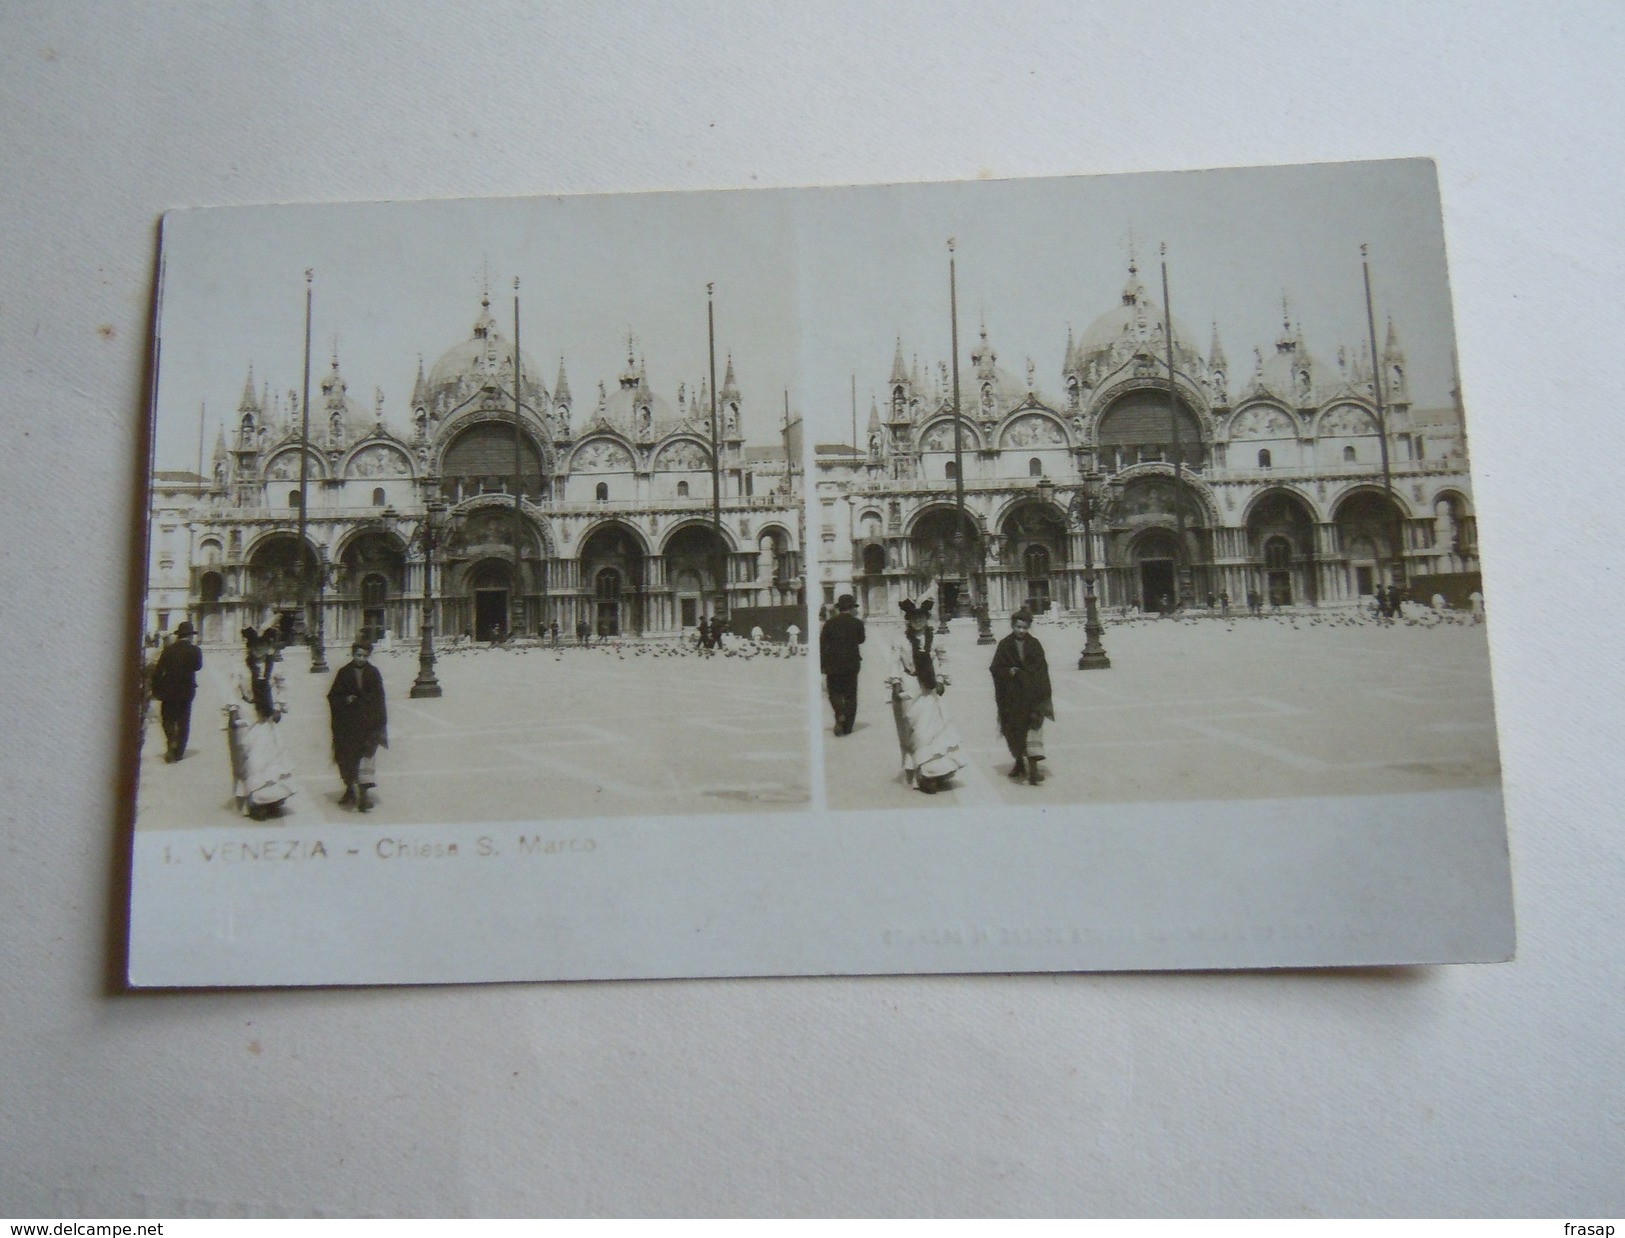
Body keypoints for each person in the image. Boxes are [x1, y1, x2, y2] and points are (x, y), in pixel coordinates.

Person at [884, 599, 964, 794]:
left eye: (921, 617)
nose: (917, 621)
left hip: (929, 687)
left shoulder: (935, 638)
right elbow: (894, 661)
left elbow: (943, 659)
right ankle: (921, 773)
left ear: (927, 619)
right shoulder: (901, 640)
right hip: (910, 688)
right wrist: (895, 682)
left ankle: (935, 772)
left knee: (932, 730)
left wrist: (942, 680)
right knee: (915, 733)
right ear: (908, 620)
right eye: (913, 618)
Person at [225, 627, 297, 818]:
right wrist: (233, 710)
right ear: (249, 648)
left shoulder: (274, 666)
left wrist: (280, 707)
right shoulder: (241, 666)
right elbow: (232, 690)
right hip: (249, 716)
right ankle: (256, 802)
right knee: (252, 760)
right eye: (255, 647)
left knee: (271, 759)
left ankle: (274, 800)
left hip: (268, 716)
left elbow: (283, 687)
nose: (259, 651)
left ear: (268, 647)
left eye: (263, 646)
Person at [990, 606, 1055, 785]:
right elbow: (995, 667)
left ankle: (1033, 769)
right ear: (1013, 626)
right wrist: (1008, 672)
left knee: (1033, 729)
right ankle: (1019, 762)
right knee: (1014, 731)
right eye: (1018, 627)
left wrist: (1041, 691)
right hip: (1012, 697)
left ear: (1029, 628)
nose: (1021, 630)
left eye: (1025, 627)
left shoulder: (1035, 644)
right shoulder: (1005, 644)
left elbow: (1042, 669)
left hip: (1032, 694)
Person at [327, 640, 388, 812]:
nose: (361, 659)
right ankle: (349, 789)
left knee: (366, 759)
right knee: (347, 759)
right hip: (347, 724)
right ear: (352, 654)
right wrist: (345, 699)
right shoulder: (344, 673)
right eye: (358, 655)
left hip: (368, 723)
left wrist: (380, 721)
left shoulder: (373, 673)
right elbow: (333, 695)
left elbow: (379, 697)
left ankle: (364, 795)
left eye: (365, 656)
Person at [150, 620, 203, 763]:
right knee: (183, 720)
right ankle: (178, 752)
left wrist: (155, 689)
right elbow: (198, 667)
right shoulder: (195, 651)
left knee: (167, 718)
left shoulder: (168, 650)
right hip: (186, 690)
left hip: (168, 690)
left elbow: (158, 671)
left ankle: (171, 739)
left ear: (179, 635)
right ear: (190, 636)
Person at [819, 594, 865, 736]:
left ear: (839, 608)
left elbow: (822, 644)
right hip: (851, 663)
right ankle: (848, 726)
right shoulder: (857, 623)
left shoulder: (829, 623)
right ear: (851, 608)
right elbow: (861, 639)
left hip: (833, 664)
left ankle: (839, 713)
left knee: (834, 692)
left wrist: (823, 664)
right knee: (851, 694)